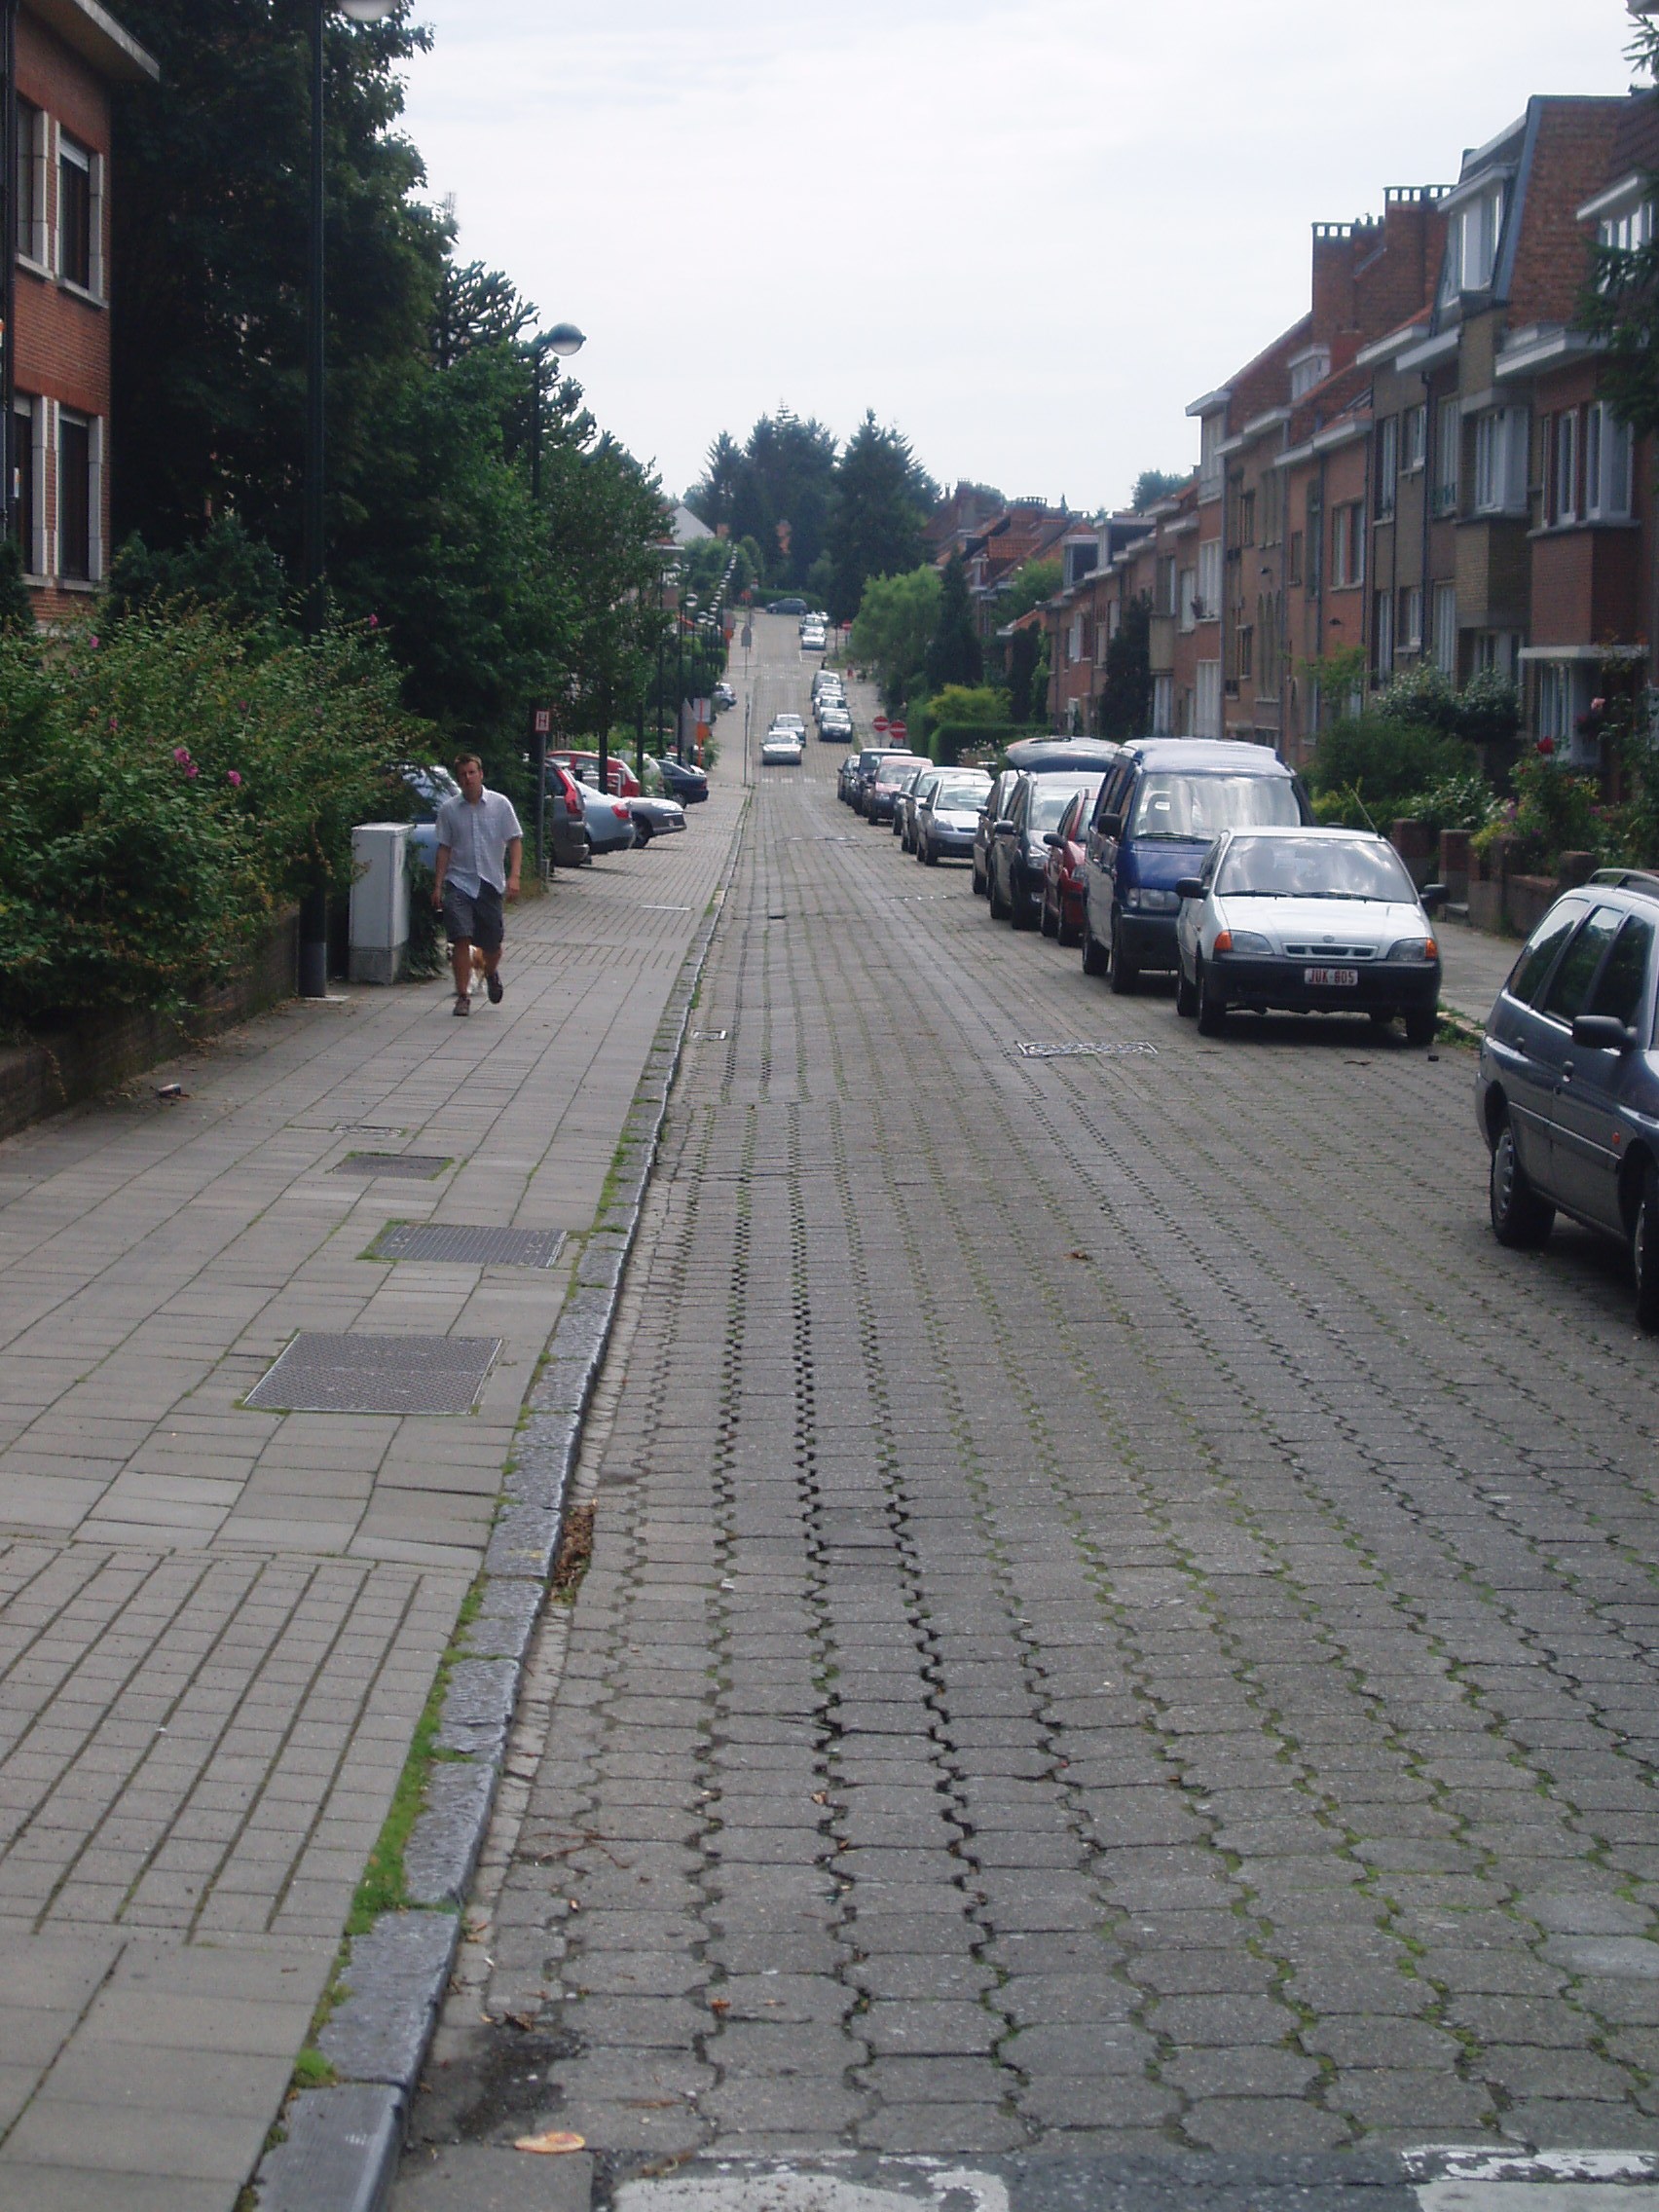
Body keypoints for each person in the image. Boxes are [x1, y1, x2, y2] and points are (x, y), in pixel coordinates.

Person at [431, 754, 523, 1016]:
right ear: (458, 779)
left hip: (490, 882)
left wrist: (514, 876)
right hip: (459, 882)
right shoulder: (449, 810)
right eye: (463, 775)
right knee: (461, 938)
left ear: (481, 774)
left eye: (472, 773)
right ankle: (463, 996)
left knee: (492, 945)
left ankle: (490, 973)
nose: (468, 778)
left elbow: (514, 840)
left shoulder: (500, 805)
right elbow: (444, 848)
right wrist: (438, 885)